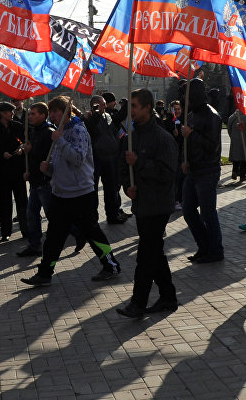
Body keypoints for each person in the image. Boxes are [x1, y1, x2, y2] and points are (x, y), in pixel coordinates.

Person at [21, 96, 121, 287]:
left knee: (92, 232)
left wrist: (60, 142)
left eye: (56, 111)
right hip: (61, 192)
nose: (52, 116)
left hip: (81, 192)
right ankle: (45, 273)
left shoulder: (77, 130)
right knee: (53, 237)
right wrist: (48, 168)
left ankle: (111, 265)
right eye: (50, 112)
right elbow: (61, 163)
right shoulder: (60, 131)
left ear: (67, 112)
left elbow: (77, 158)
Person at [115, 89, 179, 318]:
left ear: (147, 107)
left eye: (134, 106)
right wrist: (127, 187)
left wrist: (140, 162)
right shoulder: (131, 136)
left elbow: (167, 173)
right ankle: (168, 297)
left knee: (145, 255)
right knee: (154, 252)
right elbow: (123, 167)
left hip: (159, 204)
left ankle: (138, 303)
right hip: (141, 203)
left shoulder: (162, 137)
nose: (130, 110)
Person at [180, 78, 224, 263]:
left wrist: (193, 135)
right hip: (193, 169)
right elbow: (188, 143)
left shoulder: (211, 115)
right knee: (188, 210)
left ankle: (215, 251)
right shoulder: (191, 114)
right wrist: (185, 159)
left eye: (187, 95)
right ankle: (204, 246)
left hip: (208, 170)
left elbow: (212, 146)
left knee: (208, 213)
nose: (185, 99)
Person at [0, 101, 28, 241]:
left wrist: (21, 149)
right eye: (10, 111)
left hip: (18, 169)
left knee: (22, 201)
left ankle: (25, 229)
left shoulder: (18, 126)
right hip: (2, 171)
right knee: (4, 203)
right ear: (2, 113)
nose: (13, 114)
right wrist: (0, 154)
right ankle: (6, 231)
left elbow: (24, 142)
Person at [18, 102, 55, 257]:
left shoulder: (48, 132)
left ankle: (77, 232)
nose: (30, 116)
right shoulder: (33, 131)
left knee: (53, 216)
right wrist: (28, 172)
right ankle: (35, 245)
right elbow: (31, 156)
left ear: (43, 115)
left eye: (33, 114)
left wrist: (31, 151)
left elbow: (49, 157)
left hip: (45, 182)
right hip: (35, 181)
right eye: (30, 113)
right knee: (32, 214)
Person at [85, 95, 127, 225]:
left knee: (111, 188)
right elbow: (91, 128)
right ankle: (93, 218)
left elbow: (114, 129)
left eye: (103, 104)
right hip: (96, 158)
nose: (104, 107)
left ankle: (112, 215)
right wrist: (93, 113)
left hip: (110, 157)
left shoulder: (108, 116)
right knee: (93, 190)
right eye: (101, 105)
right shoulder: (90, 118)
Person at [164, 99, 185, 210]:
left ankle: (181, 199)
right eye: (174, 109)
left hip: (182, 152)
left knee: (182, 177)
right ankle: (175, 200)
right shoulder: (168, 120)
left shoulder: (183, 120)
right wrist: (173, 132)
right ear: (171, 110)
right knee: (176, 177)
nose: (177, 111)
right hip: (172, 153)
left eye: (178, 109)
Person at [225, 109, 246, 184]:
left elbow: (229, 129)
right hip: (245, 139)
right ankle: (242, 175)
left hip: (235, 139)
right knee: (244, 158)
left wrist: (232, 137)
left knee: (236, 157)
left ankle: (235, 171)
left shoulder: (231, 117)